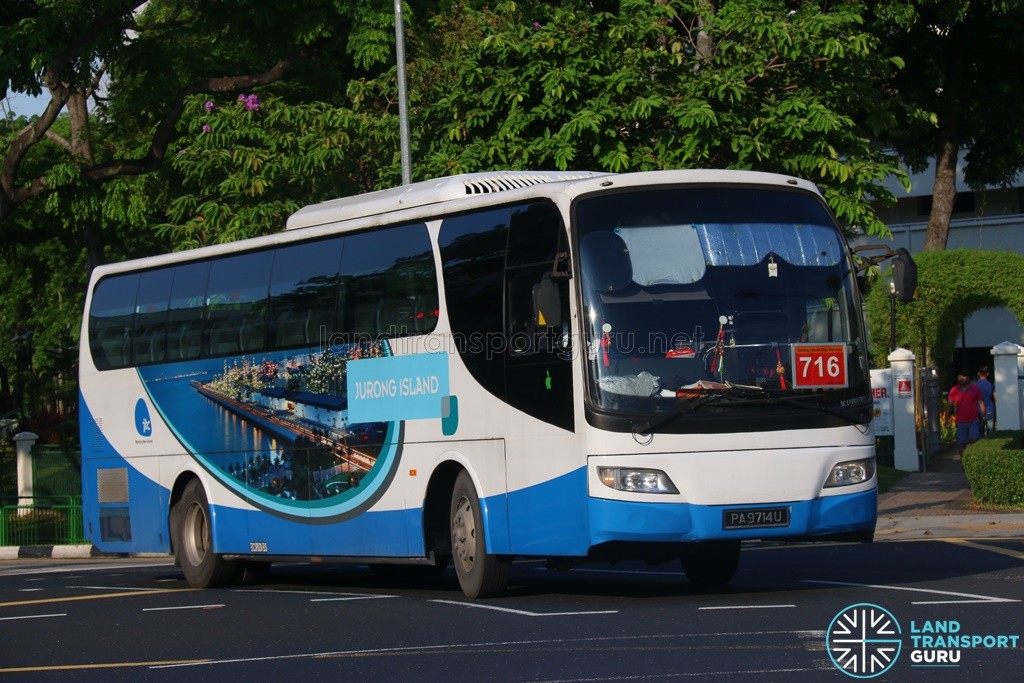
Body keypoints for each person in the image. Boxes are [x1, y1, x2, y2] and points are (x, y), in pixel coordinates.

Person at [945, 370, 985, 456]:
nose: (961, 378)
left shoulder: (975, 389)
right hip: (960, 422)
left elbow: (981, 402)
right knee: (961, 443)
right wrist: (947, 418)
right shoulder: (954, 390)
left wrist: (983, 417)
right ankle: (963, 461)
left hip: (973, 421)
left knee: (974, 440)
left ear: (968, 377)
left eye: (963, 376)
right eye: (959, 376)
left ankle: (972, 459)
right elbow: (949, 405)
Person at [975, 365, 996, 436]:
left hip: (978, 411)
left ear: (978, 373)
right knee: (990, 431)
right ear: (987, 374)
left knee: (980, 431)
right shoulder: (991, 384)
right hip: (990, 409)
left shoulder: (975, 386)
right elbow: (995, 397)